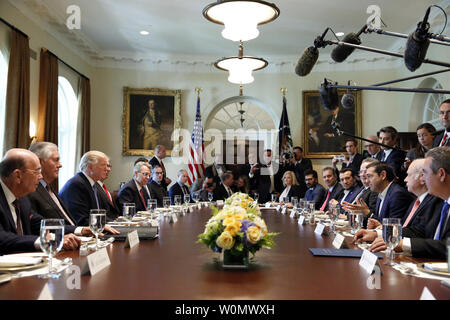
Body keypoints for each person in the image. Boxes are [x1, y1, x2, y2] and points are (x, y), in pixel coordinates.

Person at [355, 147, 449, 259]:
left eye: (425, 173)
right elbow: (418, 230)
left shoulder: (436, 201)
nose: (423, 179)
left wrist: (401, 244)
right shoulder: (440, 202)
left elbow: (444, 245)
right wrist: (378, 234)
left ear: (441, 174)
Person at [0, 148, 81, 254]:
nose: (41, 176)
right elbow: (2, 237)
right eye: (37, 172)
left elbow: (39, 223)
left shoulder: (22, 198)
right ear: (18, 175)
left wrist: (79, 231)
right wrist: (44, 240)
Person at [59, 150, 112, 226]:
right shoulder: (76, 185)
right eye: (103, 165)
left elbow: (100, 214)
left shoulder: (93, 184)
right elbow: (80, 219)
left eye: (108, 166)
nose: (108, 169)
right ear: (90, 167)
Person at [341, 158, 379, 227]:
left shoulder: (374, 191)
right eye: (361, 172)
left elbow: (371, 216)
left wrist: (347, 217)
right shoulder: (363, 188)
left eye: (366, 172)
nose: (362, 175)